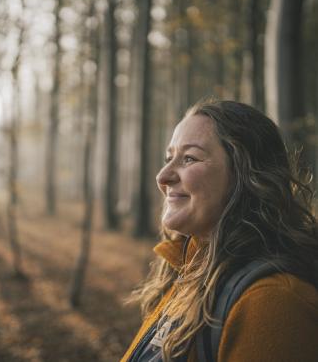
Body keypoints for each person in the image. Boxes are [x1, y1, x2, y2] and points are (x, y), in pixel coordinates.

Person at [120, 100, 318, 362]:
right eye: (169, 158)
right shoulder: (190, 273)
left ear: (246, 175)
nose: (163, 176)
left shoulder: (272, 301)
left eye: (189, 158)